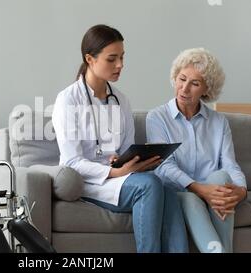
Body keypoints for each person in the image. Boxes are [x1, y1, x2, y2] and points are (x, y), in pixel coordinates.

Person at [51, 24, 188, 253]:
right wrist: (114, 172)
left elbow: (126, 148)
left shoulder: (121, 100)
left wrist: (129, 161)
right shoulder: (68, 100)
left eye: (122, 57)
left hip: (121, 177)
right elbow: (72, 162)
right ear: (90, 59)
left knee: (168, 188)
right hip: (90, 181)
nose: (120, 65)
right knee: (150, 185)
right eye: (112, 59)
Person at [146, 48, 247, 253]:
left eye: (195, 83)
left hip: (215, 188)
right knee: (190, 198)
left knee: (221, 176)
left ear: (206, 89)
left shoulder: (219, 122)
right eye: (181, 79)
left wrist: (241, 191)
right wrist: (199, 189)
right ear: (174, 78)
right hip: (179, 191)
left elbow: (229, 164)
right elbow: (164, 166)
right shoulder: (157, 118)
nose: (184, 89)